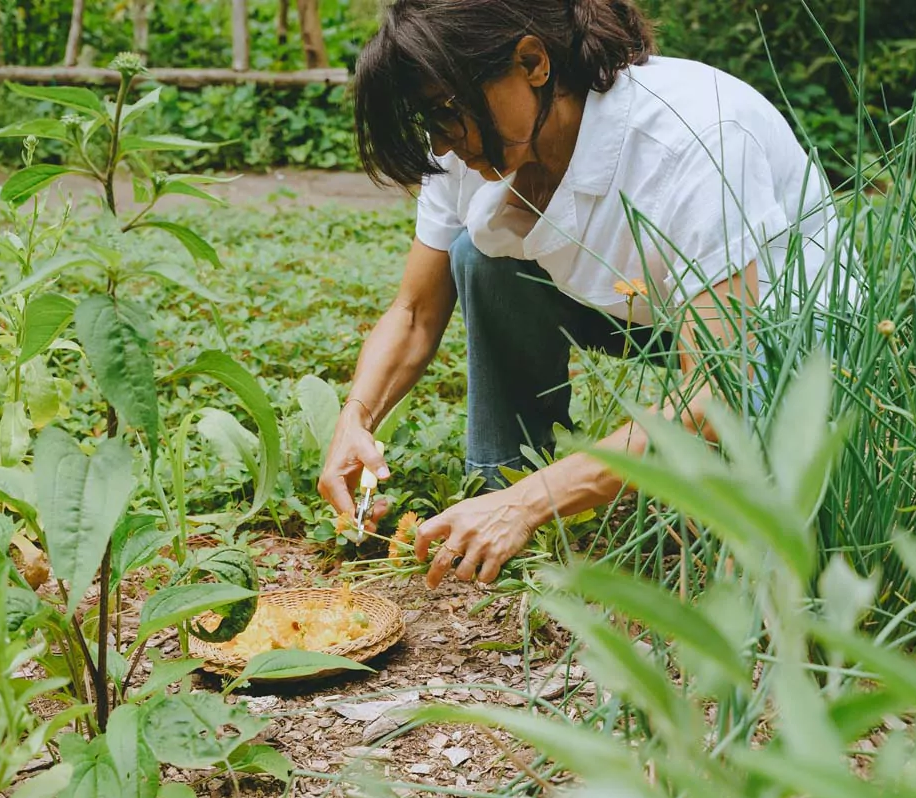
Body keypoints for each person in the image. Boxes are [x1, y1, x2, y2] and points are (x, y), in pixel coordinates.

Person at [317, 0, 854, 589]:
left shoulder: (695, 138)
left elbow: (717, 392)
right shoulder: (475, 145)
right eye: (429, 122)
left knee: (758, 500)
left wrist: (532, 503)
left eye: (445, 113)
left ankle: (515, 503)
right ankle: (496, 481)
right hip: (645, 305)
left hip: (781, 336)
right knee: (480, 251)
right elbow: (415, 312)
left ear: (532, 63)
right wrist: (355, 416)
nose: (442, 146)